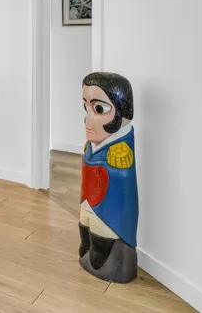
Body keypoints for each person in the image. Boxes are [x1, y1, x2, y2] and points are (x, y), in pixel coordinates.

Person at [79, 72, 138, 283]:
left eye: (99, 109)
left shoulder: (120, 149)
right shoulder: (92, 145)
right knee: (85, 235)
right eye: (86, 107)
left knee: (102, 241)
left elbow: (122, 182)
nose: (88, 120)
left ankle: (102, 263)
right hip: (89, 202)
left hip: (107, 211)